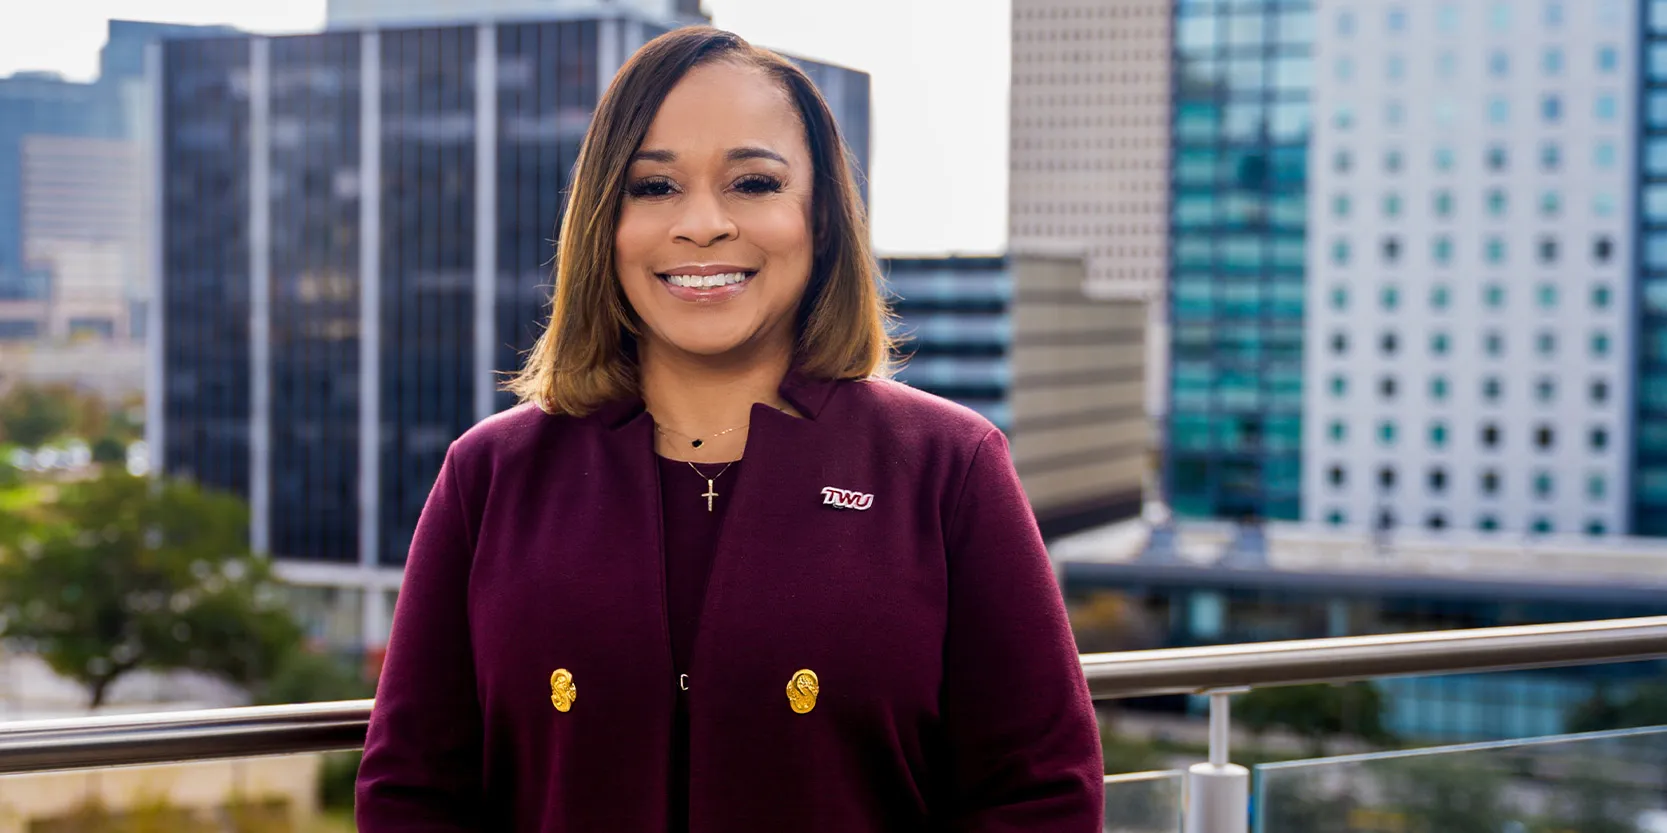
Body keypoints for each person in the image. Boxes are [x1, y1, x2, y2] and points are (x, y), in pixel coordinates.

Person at [355, 25, 1103, 832]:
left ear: (819, 220)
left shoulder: (948, 467)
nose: (702, 224)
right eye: (652, 187)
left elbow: (1040, 793)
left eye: (752, 182)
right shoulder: (490, 474)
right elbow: (412, 789)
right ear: (604, 223)